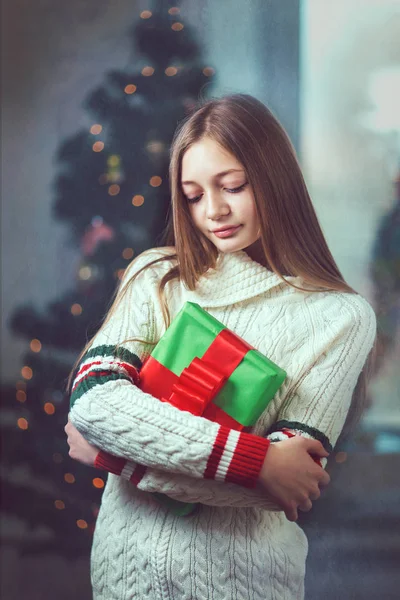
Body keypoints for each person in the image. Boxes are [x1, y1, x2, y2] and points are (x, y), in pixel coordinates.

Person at [65, 94, 377, 600]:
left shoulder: (338, 317)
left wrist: (114, 458)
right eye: (192, 195)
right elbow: (94, 401)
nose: (214, 211)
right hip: (125, 579)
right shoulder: (157, 277)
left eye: (233, 186)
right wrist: (254, 461)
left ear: (274, 178)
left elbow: (286, 485)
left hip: (245, 585)